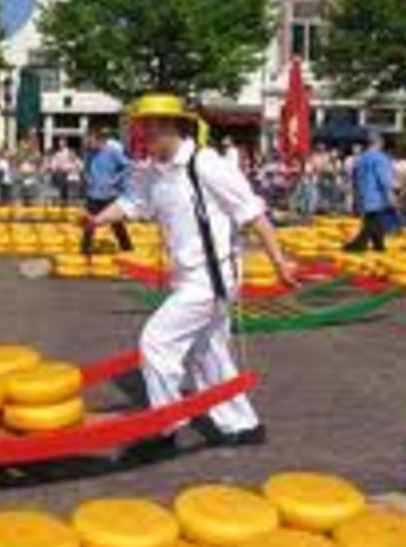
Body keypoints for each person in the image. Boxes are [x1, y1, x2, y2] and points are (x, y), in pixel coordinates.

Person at [88, 94, 297, 451]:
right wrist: (97, 220)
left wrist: (279, 261)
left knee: (156, 341)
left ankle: (165, 427)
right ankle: (243, 426)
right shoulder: (152, 171)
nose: (145, 136)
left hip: (211, 279)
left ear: (174, 127)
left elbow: (252, 213)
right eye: (143, 128)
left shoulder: (207, 165)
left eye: (152, 128)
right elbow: (132, 204)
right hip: (186, 277)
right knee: (208, 353)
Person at [81, 129, 134, 255]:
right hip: (93, 194)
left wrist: (116, 179)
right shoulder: (90, 153)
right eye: (88, 141)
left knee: (117, 224)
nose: (89, 143)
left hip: (109, 194)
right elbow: (86, 168)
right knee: (89, 222)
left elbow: (128, 166)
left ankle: (127, 248)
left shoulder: (113, 152)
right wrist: (88, 178)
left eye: (92, 141)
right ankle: (85, 249)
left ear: (100, 140)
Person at [344, 131, 395, 253]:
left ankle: (379, 247)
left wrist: (356, 197)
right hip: (377, 198)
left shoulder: (361, 159)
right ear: (379, 143)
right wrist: (391, 195)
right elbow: (384, 180)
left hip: (364, 197)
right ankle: (357, 246)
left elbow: (355, 178)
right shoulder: (380, 158)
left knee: (375, 225)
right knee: (372, 225)